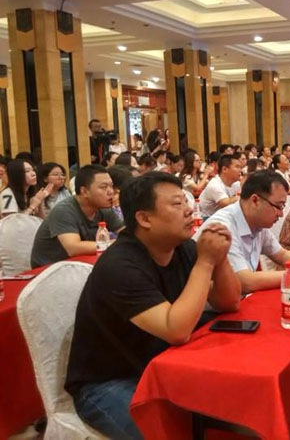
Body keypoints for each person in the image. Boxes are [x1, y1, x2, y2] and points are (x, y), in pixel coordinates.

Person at [65, 172, 240, 440]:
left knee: (234, 407)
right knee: (171, 433)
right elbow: (176, 330)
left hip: (162, 365)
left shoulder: (182, 247)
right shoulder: (120, 265)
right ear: (144, 219)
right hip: (108, 382)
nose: (188, 210)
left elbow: (229, 302)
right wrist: (206, 262)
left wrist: (220, 257)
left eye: (185, 201)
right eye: (177, 204)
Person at [196, 170, 290, 292]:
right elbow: (245, 282)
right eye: (278, 206)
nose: (281, 214)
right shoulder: (223, 228)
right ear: (255, 200)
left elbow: (282, 255)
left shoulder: (258, 222)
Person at [30, 165, 124, 268]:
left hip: (80, 266)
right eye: (104, 187)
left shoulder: (103, 208)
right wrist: (117, 243)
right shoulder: (64, 210)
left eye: (111, 186)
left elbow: (127, 233)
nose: (111, 191)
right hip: (49, 270)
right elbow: (73, 248)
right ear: (84, 191)